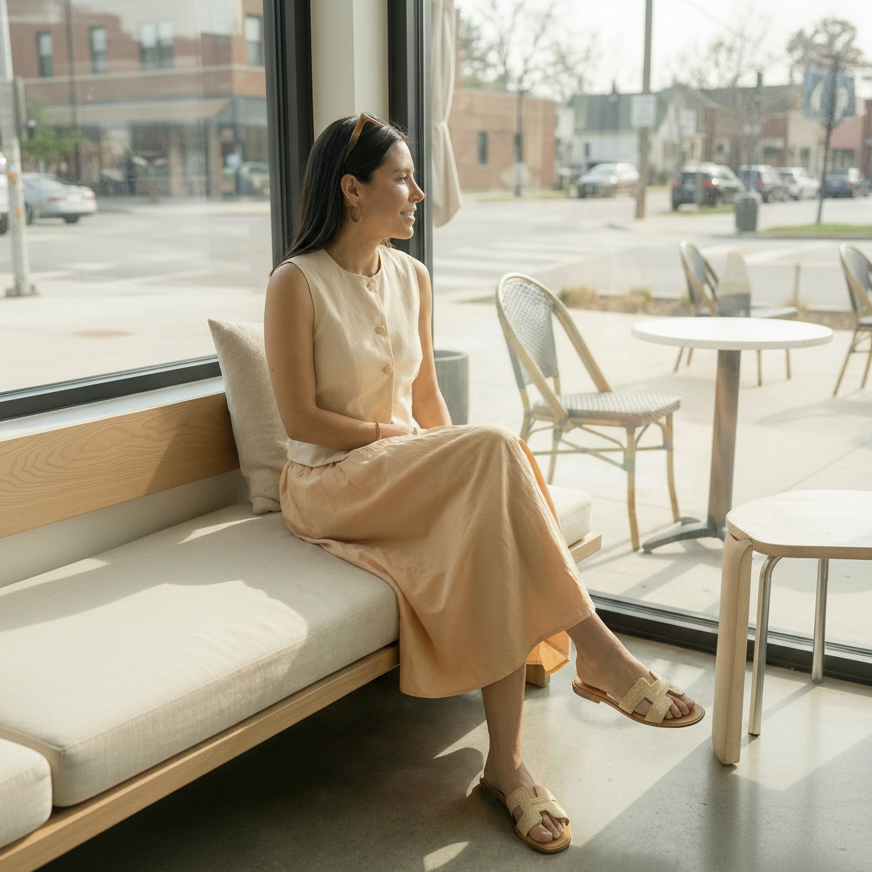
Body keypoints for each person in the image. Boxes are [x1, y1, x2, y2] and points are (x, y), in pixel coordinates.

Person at [263, 112, 704, 854]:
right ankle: (597, 650)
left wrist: (447, 457)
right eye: (402, 178)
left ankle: (507, 764)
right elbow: (300, 419)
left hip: (397, 471)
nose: (419, 194)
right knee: (497, 447)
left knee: (493, 515)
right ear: (352, 189)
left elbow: (427, 396)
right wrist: (408, 443)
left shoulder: (413, 277)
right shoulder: (295, 282)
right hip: (327, 482)